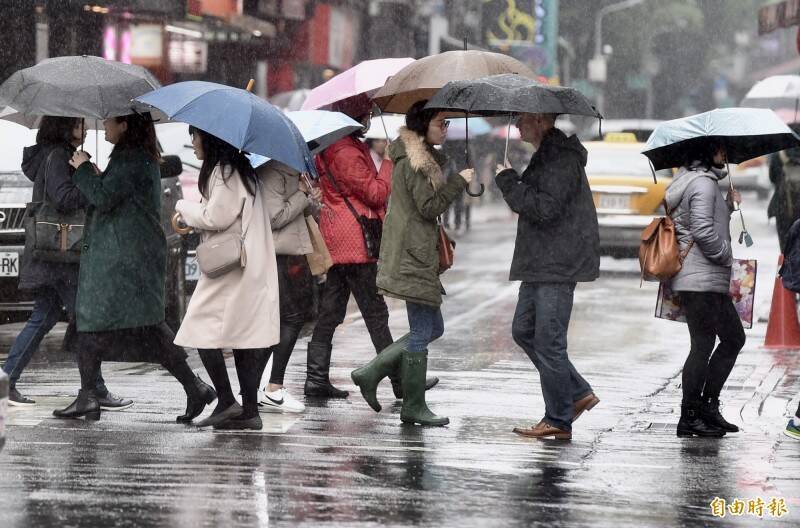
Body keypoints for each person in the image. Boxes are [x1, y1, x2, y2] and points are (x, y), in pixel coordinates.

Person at [53, 113, 215, 423]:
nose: (105, 127)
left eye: (110, 122)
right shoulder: (134, 157)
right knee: (139, 326)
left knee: (97, 321)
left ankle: (90, 396)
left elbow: (103, 197)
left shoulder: (132, 158)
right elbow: (113, 193)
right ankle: (194, 388)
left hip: (123, 260)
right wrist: (97, 174)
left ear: (125, 125)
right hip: (126, 257)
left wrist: (84, 168)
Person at [350, 100, 472, 426]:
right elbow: (429, 207)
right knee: (422, 330)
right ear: (423, 125)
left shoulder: (419, 157)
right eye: (441, 123)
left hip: (416, 252)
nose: (446, 129)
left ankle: (373, 371)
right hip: (413, 255)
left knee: (434, 327)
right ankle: (412, 404)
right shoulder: (415, 162)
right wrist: (458, 181)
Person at [3, 117, 131, 411]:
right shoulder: (59, 156)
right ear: (63, 127)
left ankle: (7, 382)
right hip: (62, 256)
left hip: (53, 256)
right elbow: (62, 198)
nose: (84, 129)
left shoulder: (54, 155)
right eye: (78, 124)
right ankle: (96, 390)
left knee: (44, 317)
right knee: (84, 320)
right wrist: (90, 179)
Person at [494, 113, 600, 440]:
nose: (516, 127)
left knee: (549, 340)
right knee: (524, 330)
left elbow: (544, 208)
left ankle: (558, 417)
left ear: (540, 121)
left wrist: (509, 180)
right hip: (541, 261)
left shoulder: (561, 159)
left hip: (556, 262)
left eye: (522, 120)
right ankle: (577, 392)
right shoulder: (547, 155)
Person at [173, 126, 280, 430]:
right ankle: (247, 411)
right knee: (243, 338)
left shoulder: (225, 171)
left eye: (195, 136)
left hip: (232, 268)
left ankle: (226, 400)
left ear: (210, 138)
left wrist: (183, 206)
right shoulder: (241, 170)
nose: (193, 142)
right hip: (247, 266)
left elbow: (215, 217)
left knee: (200, 327)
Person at [305, 96, 395, 399]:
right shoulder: (345, 150)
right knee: (375, 311)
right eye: (365, 112)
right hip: (354, 241)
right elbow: (375, 193)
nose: (369, 117)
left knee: (331, 311)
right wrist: (389, 163)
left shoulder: (334, 146)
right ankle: (399, 380)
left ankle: (316, 379)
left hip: (338, 238)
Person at [665, 141, 745, 438]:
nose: (725, 155)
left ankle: (705, 409)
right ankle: (691, 415)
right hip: (701, 279)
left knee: (725, 339)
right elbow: (701, 230)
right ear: (705, 153)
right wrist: (726, 254)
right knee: (710, 343)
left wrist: (727, 206)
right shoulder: (703, 183)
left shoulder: (695, 181)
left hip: (701, 279)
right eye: (721, 150)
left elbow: (700, 222)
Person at [256, 159, 322, 413]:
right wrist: (302, 195)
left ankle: (254, 387)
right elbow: (275, 217)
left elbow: (295, 212)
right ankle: (273, 387)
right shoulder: (273, 172)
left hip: (291, 252)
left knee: (285, 319)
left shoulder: (290, 172)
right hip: (279, 254)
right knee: (290, 318)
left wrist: (309, 198)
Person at [768, 130, 800, 252]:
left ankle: (787, 268)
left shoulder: (779, 154)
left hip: (784, 207)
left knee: (786, 247)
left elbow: (772, 178)